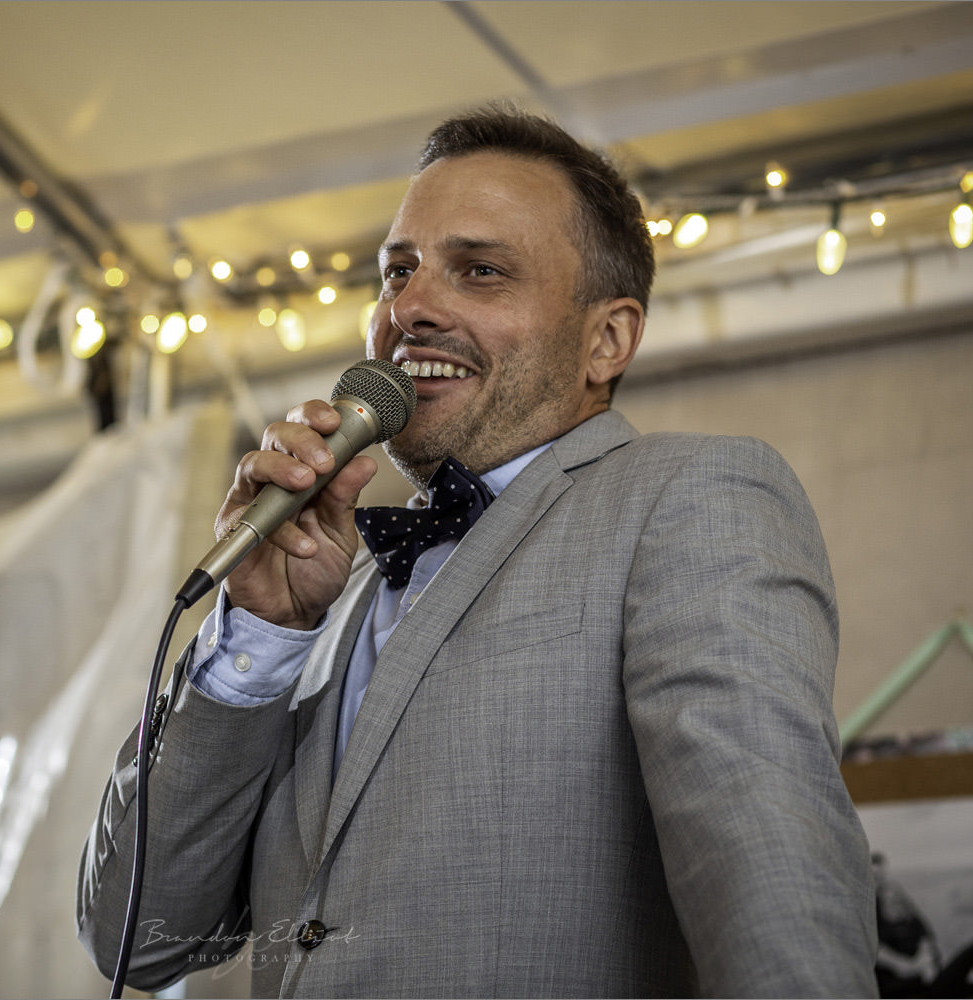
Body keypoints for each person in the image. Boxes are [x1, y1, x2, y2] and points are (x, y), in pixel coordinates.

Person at [78, 103, 878, 997]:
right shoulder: (326, 585)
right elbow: (135, 941)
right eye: (398, 272)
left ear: (607, 339)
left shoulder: (688, 497)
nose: (409, 308)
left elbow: (772, 877)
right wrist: (262, 636)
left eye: (482, 271)